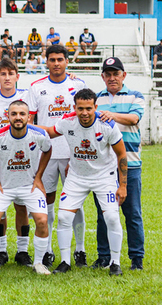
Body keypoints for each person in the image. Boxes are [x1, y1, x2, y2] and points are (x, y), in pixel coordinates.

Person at [39, 89, 127, 276]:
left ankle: (115, 262)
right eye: (80, 108)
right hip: (77, 177)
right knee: (63, 217)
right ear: (74, 107)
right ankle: (64, 262)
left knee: (111, 217)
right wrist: (23, 127)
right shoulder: (66, 122)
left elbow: (121, 154)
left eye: (89, 108)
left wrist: (123, 185)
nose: (85, 113)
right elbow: (49, 132)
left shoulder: (107, 125)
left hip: (104, 177)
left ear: (95, 107)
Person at [27, 44, 87, 268]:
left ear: (67, 61)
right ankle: (48, 249)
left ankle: (80, 249)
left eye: (60, 59)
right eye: (52, 59)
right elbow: (30, 123)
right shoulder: (36, 87)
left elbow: (85, 118)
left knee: (76, 203)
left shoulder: (78, 84)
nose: (56, 63)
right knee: (47, 203)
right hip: (48, 154)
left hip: (75, 153)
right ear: (46, 61)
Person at [0, 100, 52, 276]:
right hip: (4, 187)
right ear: (8, 116)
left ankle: (38, 263)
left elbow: (48, 150)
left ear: (29, 117)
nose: (18, 117)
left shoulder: (40, 134)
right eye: (14, 114)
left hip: (29, 186)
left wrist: (38, 177)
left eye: (22, 114)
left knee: (42, 221)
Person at [0, 59, 32, 267]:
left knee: (21, 207)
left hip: (23, 158)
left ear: (17, 76)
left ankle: (22, 250)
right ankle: (1, 249)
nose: (7, 77)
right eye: (3, 74)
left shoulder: (27, 95)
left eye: (11, 73)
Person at [93, 57, 145, 271]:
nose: (112, 77)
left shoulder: (136, 96)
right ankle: (104, 256)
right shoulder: (96, 99)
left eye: (116, 73)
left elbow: (133, 119)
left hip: (130, 165)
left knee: (132, 213)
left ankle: (136, 258)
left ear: (124, 75)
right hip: (104, 168)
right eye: (108, 74)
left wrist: (108, 115)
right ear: (103, 77)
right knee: (103, 213)